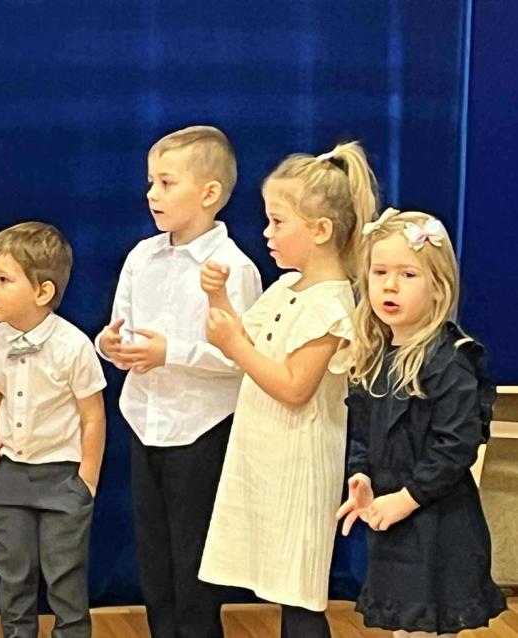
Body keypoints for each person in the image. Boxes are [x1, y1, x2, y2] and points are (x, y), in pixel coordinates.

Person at [198, 142, 377, 638]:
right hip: (264, 454)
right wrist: (217, 298)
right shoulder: (285, 287)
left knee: (298, 592)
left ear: (320, 230)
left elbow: (296, 387)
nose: (266, 233)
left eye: (278, 222)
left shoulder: (331, 306)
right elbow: (251, 345)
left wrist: (235, 345)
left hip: (300, 462)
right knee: (276, 585)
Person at [96, 126, 261, 638]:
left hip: (202, 431)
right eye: (151, 181)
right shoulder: (141, 257)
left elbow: (243, 359)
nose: (152, 193)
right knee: (155, 558)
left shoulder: (234, 268)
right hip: (145, 423)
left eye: (167, 183)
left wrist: (172, 353)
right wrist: (110, 345)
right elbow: (120, 327)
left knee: (195, 562)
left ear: (209, 193)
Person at [336, 208, 506, 637]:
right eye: (380, 272)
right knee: (405, 627)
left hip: (438, 526)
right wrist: (361, 475)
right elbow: (363, 430)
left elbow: (455, 447)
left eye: (408, 275)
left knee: (425, 626)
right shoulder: (374, 359)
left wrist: (407, 498)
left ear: (438, 286)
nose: (390, 285)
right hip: (395, 523)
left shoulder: (450, 361)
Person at [0, 222, 106, 637]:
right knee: (13, 573)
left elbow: (93, 416)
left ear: (43, 292)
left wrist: (86, 482)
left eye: (3, 280)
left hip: (62, 477)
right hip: (9, 476)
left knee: (64, 574)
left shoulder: (74, 346)